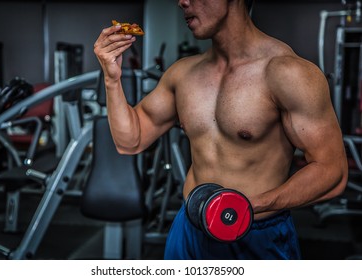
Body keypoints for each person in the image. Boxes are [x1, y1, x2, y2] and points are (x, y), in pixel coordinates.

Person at [93, 0, 348, 259]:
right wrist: (112, 79)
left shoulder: (287, 72)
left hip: (256, 233)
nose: (182, 2)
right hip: (190, 228)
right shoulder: (182, 74)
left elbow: (332, 171)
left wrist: (246, 206)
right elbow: (130, 141)